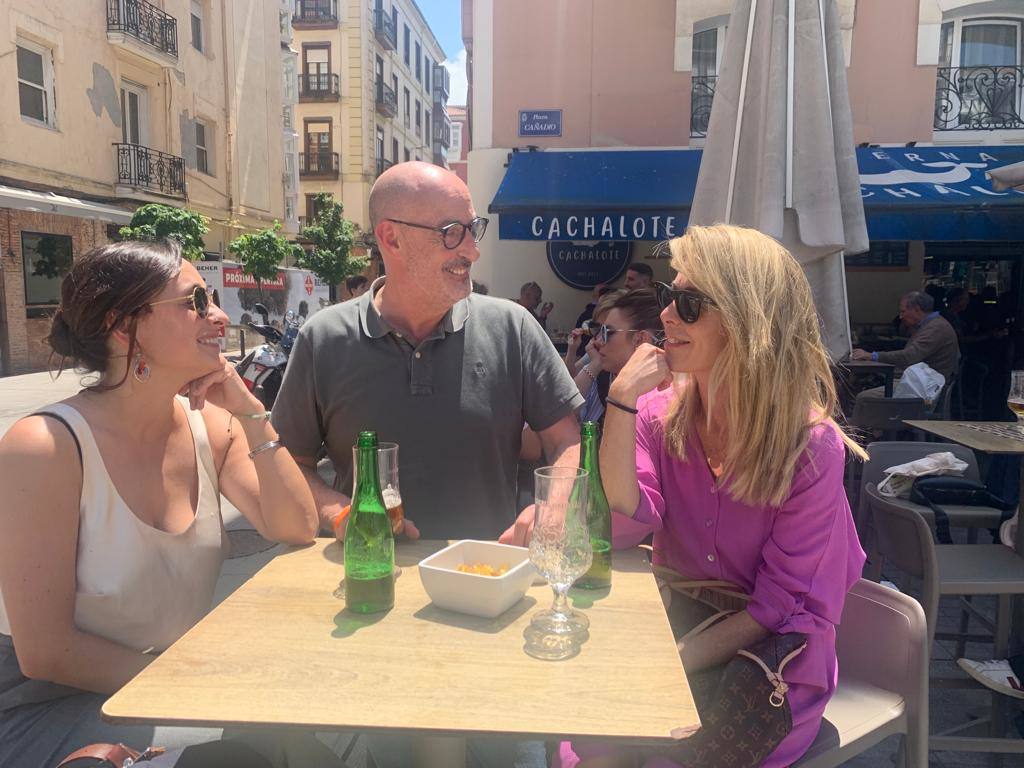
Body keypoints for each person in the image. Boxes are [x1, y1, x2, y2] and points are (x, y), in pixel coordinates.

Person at [0, 240, 321, 768]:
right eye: (195, 301)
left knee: (302, 742)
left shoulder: (212, 428)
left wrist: (249, 408)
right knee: (251, 754)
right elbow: (47, 651)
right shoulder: (46, 447)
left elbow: (296, 525)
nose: (218, 316)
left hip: (162, 687)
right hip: (50, 716)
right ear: (123, 326)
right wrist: (201, 682)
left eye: (213, 299)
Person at [560, 225, 866, 768]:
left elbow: (776, 608)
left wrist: (670, 662)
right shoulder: (657, 410)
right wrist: (622, 400)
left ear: (749, 321)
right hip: (683, 621)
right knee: (586, 740)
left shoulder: (809, 446)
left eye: (690, 303)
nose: (668, 316)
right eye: (668, 298)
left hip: (770, 664)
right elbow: (623, 515)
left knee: (659, 755)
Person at [271, 161, 583, 543]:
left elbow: (566, 438)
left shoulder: (512, 327)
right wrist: (342, 515)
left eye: (473, 230)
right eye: (451, 233)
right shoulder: (323, 339)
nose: (472, 251)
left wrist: (554, 504)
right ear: (391, 238)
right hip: (373, 580)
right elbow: (290, 464)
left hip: (490, 581)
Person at [851, 290, 960, 381]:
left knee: (863, 397)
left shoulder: (936, 328)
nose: (901, 317)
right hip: (920, 380)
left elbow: (909, 356)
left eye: (903, 311)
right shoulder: (931, 325)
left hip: (923, 387)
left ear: (917, 309)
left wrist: (872, 356)